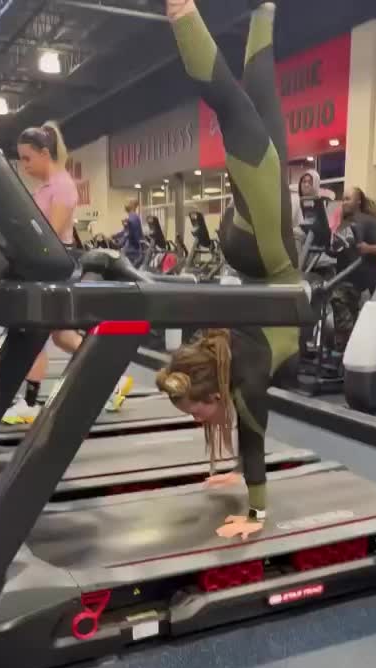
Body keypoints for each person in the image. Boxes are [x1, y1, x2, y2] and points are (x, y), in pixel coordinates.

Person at [157, 0, 303, 541]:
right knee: (256, 97)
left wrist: (255, 517)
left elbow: (253, 442)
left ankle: (187, 13)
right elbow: (253, 436)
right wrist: (240, 477)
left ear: (212, 393)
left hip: (260, 241)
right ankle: (263, 11)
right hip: (263, 248)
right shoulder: (240, 375)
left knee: (237, 101)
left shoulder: (232, 363)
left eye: (194, 412)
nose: (195, 419)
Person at [3, 123, 133, 423]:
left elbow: (50, 235)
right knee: (62, 337)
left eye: (27, 158)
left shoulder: (62, 185)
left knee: (32, 331)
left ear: (44, 153)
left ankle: (30, 403)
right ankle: (115, 380)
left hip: (54, 267)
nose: (24, 165)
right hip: (43, 266)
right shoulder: (44, 187)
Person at [331, 187, 376, 353]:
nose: (344, 202)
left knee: (340, 303)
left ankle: (353, 345)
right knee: (339, 309)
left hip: (363, 281)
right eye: (343, 199)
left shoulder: (369, 221)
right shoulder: (343, 223)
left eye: (348, 199)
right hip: (344, 278)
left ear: (358, 201)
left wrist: (367, 248)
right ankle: (346, 351)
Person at [123, 199, 145, 265]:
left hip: (131, 250)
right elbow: (130, 233)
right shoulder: (133, 217)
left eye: (129, 203)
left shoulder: (132, 217)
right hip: (132, 250)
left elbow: (132, 234)